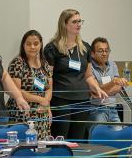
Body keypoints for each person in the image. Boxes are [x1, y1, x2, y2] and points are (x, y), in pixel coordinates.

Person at [42, 9, 108, 141]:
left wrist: (97, 88)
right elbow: (48, 78)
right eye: (74, 22)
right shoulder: (52, 48)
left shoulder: (85, 48)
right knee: (61, 138)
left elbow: (88, 76)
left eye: (80, 21)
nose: (78, 24)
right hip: (61, 100)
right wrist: (46, 102)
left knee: (78, 139)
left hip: (82, 100)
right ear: (65, 24)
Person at [7, 30, 55, 138]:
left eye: (36, 43)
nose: (32, 47)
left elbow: (49, 88)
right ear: (23, 45)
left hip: (42, 112)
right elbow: (16, 90)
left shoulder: (44, 63)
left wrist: (47, 106)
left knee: (42, 145)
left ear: (41, 44)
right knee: (25, 145)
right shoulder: (18, 63)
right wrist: (41, 100)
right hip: (22, 112)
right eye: (28, 44)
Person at [88, 37, 129, 124]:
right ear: (92, 53)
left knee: (119, 132)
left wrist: (101, 91)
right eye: (100, 51)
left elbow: (118, 87)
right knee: (101, 132)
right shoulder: (89, 67)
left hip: (112, 108)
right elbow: (96, 89)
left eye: (107, 50)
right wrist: (112, 82)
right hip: (97, 109)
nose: (104, 54)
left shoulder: (112, 64)